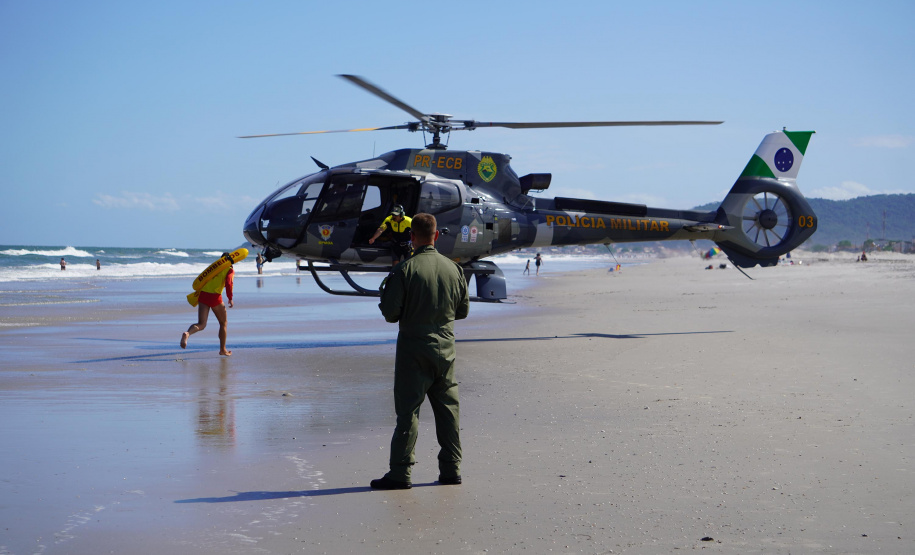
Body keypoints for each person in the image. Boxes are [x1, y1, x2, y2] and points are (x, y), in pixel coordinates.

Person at [371, 213, 470, 490]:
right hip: (446, 349)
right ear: (436, 236)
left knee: (408, 412)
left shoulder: (405, 270)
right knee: (448, 410)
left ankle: (401, 472)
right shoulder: (454, 269)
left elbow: (391, 314)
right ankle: (451, 469)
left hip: (414, 349)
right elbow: (462, 311)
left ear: (411, 237)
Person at [180, 252, 235, 356]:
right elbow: (229, 283)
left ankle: (187, 333)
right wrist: (230, 298)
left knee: (201, 324)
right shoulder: (230, 270)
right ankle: (222, 349)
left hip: (203, 295)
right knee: (223, 323)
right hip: (215, 297)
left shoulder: (213, 269)